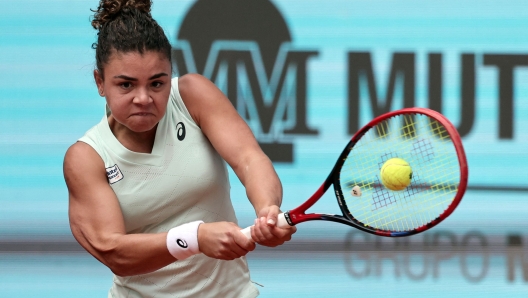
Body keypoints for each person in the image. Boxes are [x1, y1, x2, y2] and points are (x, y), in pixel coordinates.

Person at [63, 0, 296, 297]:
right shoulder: (86, 157)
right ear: (100, 82)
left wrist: (267, 211)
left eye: (157, 84)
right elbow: (114, 251)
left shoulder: (192, 96)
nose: (143, 98)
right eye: (126, 85)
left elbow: (249, 159)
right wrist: (194, 238)